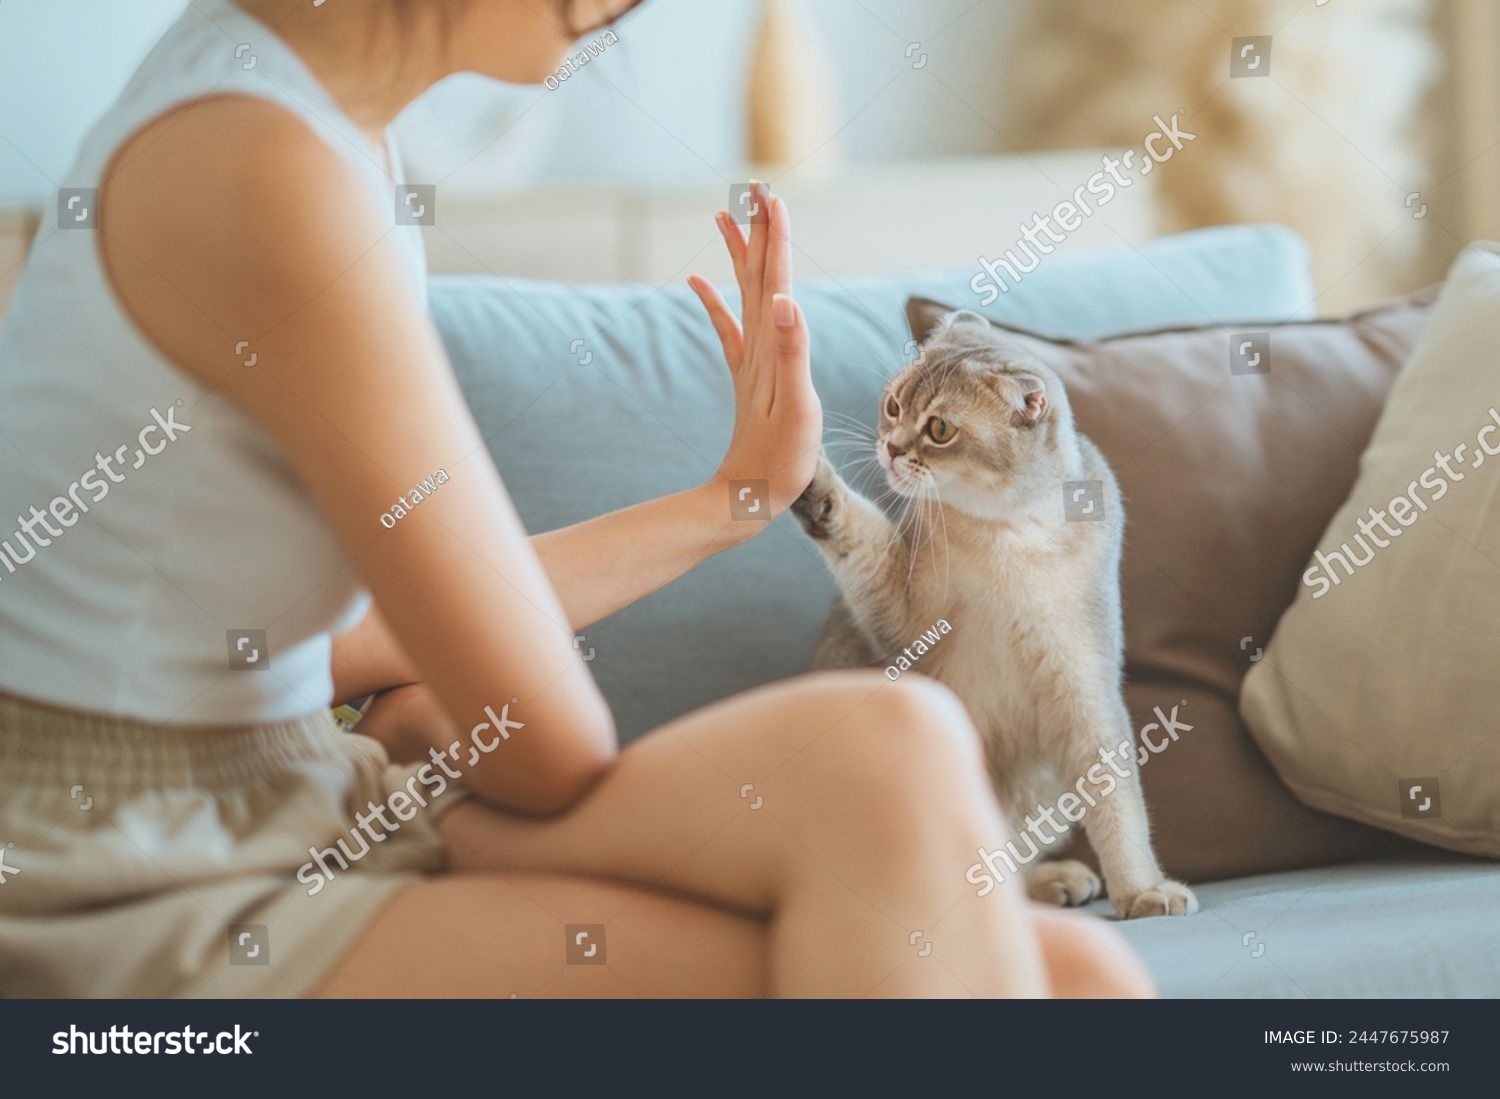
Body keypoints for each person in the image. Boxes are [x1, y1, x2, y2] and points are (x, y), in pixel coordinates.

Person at [0, 0, 1153, 998]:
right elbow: (542, 747)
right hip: (130, 883)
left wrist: (742, 494)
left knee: (1086, 975)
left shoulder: (317, 118)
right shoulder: (269, 169)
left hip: (288, 794)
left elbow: (335, 637)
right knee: (905, 778)